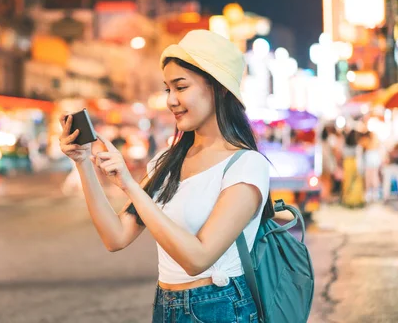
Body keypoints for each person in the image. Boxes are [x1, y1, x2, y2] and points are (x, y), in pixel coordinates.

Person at [59, 30, 273, 322]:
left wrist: (130, 186)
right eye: (167, 89)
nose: (171, 100)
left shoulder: (246, 166)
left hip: (220, 309)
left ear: (219, 89)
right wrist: (82, 162)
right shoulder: (166, 162)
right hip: (166, 306)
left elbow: (197, 258)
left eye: (181, 87)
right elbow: (116, 237)